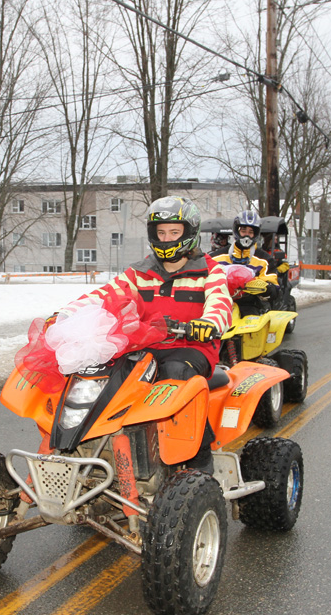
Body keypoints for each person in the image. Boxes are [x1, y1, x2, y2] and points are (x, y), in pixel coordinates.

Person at [54, 196, 232, 471]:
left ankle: (198, 456)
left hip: (191, 348)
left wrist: (208, 323)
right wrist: (66, 314)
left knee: (175, 374)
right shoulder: (138, 273)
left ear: (190, 233)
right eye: (160, 233)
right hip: (145, 346)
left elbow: (220, 303)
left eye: (174, 232)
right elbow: (104, 295)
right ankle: (105, 442)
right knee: (104, 375)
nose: (167, 238)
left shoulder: (210, 271)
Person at [212, 209, 280, 316]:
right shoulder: (216, 257)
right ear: (236, 231)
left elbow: (275, 290)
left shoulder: (265, 260)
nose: (246, 235)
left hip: (250, 306)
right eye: (243, 231)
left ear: (256, 234)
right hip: (219, 305)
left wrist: (266, 288)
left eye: (251, 232)